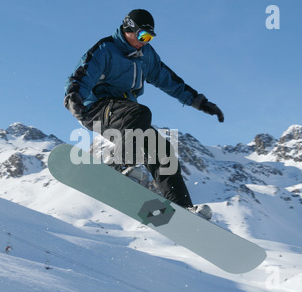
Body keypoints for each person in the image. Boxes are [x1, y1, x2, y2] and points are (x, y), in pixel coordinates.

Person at [64, 9, 224, 218]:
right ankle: (119, 166)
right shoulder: (105, 50)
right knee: (140, 113)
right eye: (142, 36)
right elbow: (81, 76)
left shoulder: (146, 56)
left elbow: (169, 80)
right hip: (95, 109)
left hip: (126, 115)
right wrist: (74, 99)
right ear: (128, 29)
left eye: (149, 38)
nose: (145, 42)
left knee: (162, 149)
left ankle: (182, 208)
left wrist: (199, 102)